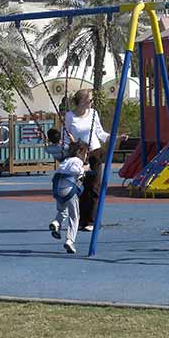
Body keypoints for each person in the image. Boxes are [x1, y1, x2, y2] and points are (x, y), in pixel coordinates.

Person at [62, 89, 126, 231]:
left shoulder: (93, 114)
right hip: (78, 156)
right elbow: (65, 137)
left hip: (94, 153)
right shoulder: (70, 116)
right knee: (80, 188)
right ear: (82, 101)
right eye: (90, 100)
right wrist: (67, 149)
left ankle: (91, 220)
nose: (92, 102)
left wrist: (116, 138)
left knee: (94, 186)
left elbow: (101, 134)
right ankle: (81, 220)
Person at [50, 140, 88, 254]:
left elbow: (60, 171)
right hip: (69, 190)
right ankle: (70, 240)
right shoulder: (77, 161)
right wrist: (84, 170)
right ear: (80, 152)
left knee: (62, 211)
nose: (86, 156)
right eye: (86, 153)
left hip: (57, 189)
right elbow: (75, 171)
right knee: (75, 216)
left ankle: (56, 223)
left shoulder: (65, 160)